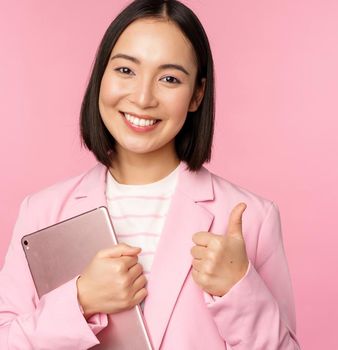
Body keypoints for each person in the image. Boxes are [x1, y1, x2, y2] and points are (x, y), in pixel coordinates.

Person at [0, 0, 300, 349]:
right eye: (126, 71)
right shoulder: (41, 211)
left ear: (196, 94)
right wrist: (80, 301)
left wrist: (239, 290)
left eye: (169, 78)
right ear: (102, 74)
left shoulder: (252, 218)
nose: (143, 98)